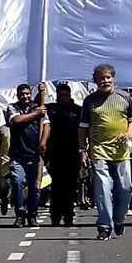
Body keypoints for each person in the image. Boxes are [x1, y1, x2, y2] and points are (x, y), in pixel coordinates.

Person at [79, 63, 132, 241]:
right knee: (103, 190)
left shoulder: (125, 97)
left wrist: (128, 133)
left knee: (125, 189)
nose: (105, 80)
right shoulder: (89, 101)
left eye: (108, 77)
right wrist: (82, 150)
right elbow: (83, 127)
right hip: (99, 151)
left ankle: (118, 220)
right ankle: (104, 226)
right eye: (101, 78)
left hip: (121, 152)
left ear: (113, 78)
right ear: (96, 81)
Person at [5, 83, 51, 228]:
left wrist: (43, 143)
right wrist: (35, 114)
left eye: (27, 93)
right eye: (22, 94)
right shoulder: (12, 107)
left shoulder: (39, 106)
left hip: (35, 155)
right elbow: (16, 120)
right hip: (18, 155)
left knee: (35, 187)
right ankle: (20, 213)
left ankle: (32, 214)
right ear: (17, 95)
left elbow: (47, 126)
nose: (25, 96)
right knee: (17, 182)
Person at [46, 83, 83, 226]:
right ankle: (55, 215)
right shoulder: (50, 109)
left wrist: (83, 151)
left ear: (69, 95)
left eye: (65, 95)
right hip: (54, 154)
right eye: (60, 95)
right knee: (56, 186)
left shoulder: (78, 111)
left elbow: (83, 131)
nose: (63, 98)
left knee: (70, 187)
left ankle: (68, 215)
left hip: (72, 154)